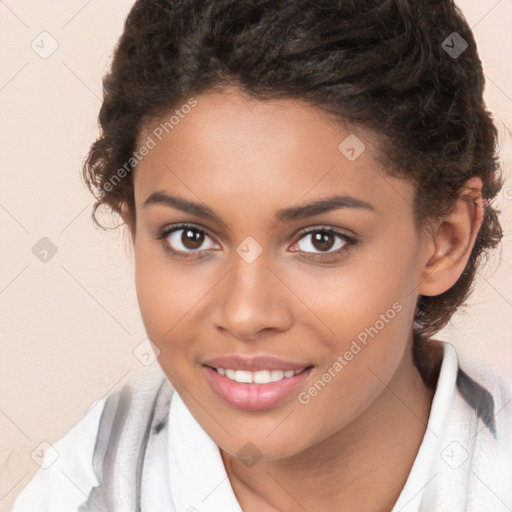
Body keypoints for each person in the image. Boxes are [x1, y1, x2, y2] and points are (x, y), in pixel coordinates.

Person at [12, 0, 512, 510]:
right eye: (189, 237)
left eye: (322, 240)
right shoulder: (85, 489)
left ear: (445, 241)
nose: (246, 314)